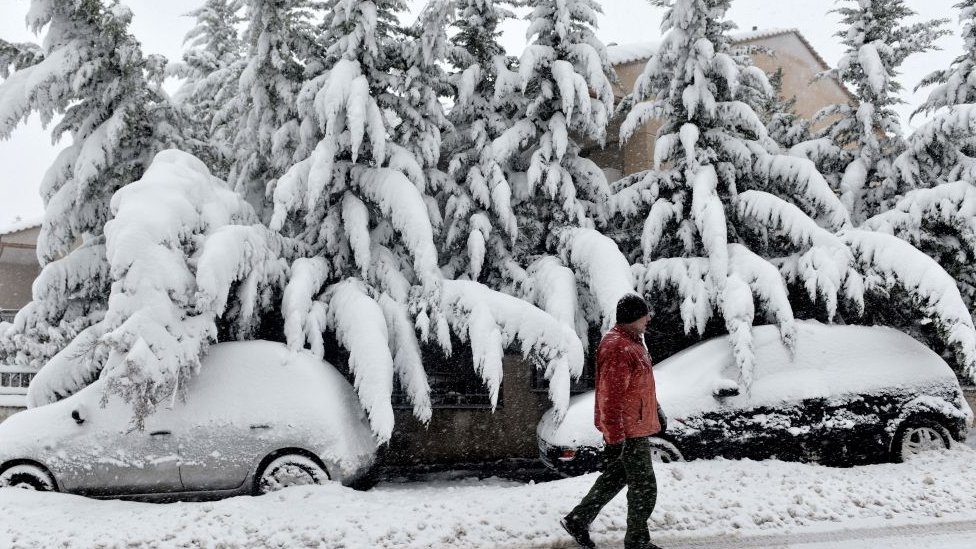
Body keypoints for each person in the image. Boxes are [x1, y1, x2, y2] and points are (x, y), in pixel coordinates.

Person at [561, 293, 662, 549]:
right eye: (643, 315)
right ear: (631, 318)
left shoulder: (633, 342)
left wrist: (656, 410)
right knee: (645, 487)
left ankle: (578, 519)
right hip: (629, 431)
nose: (648, 319)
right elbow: (610, 397)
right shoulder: (619, 347)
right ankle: (637, 541)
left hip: (635, 424)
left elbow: (641, 386)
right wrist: (616, 438)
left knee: (615, 478)